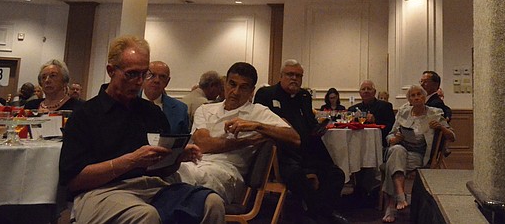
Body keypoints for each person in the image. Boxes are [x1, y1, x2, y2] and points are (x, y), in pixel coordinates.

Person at [59, 35, 225, 224]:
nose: (139, 82)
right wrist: (131, 161)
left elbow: (161, 171)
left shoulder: (151, 112)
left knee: (212, 203)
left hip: (151, 186)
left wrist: (175, 157)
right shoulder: (85, 115)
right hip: (101, 192)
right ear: (111, 71)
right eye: (131, 74)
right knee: (146, 216)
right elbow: (73, 180)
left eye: (143, 74)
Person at [176, 62, 300, 202]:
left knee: (183, 183)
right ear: (225, 84)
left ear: (251, 91)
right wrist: (246, 141)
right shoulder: (205, 109)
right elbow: (204, 145)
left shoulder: (258, 112)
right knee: (168, 174)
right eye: (232, 84)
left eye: (243, 87)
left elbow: (295, 138)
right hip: (195, 164)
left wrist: (256, 126)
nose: (235, 92)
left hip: (228, 174)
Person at [254, 60, 349, 224]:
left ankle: (318, 212)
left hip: (306, 151)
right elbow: (262, 125)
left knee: (337, 174)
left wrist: (319, 128)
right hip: (281, 154)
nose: (294, 79)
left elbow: (309, 123)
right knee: (297, 176)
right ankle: (320, 213)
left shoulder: (304, 96)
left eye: (298, 76)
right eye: (290, 74)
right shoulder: (266, 94)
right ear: (281, 76)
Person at [381, 85, 454, 223]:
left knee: (393, 162)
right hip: (400, 148)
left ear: (424, 97)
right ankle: (401, 196)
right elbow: (390, 136)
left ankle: (391, 206)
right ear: (409, 99)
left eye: (419, 94)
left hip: (418, 154)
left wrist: (442, 128)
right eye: (412, 95)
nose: (416, 97)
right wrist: (395, 138)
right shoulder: (404, 112)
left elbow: (452, 136)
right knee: (396, 150)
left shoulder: (435, 113)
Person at [141, 61, 189, 135]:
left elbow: (183, 141)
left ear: (167, 82)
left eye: (162, 77)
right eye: (152, 75)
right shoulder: (128, 103)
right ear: (143, 77)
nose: (157, 80)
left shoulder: (180, 109)